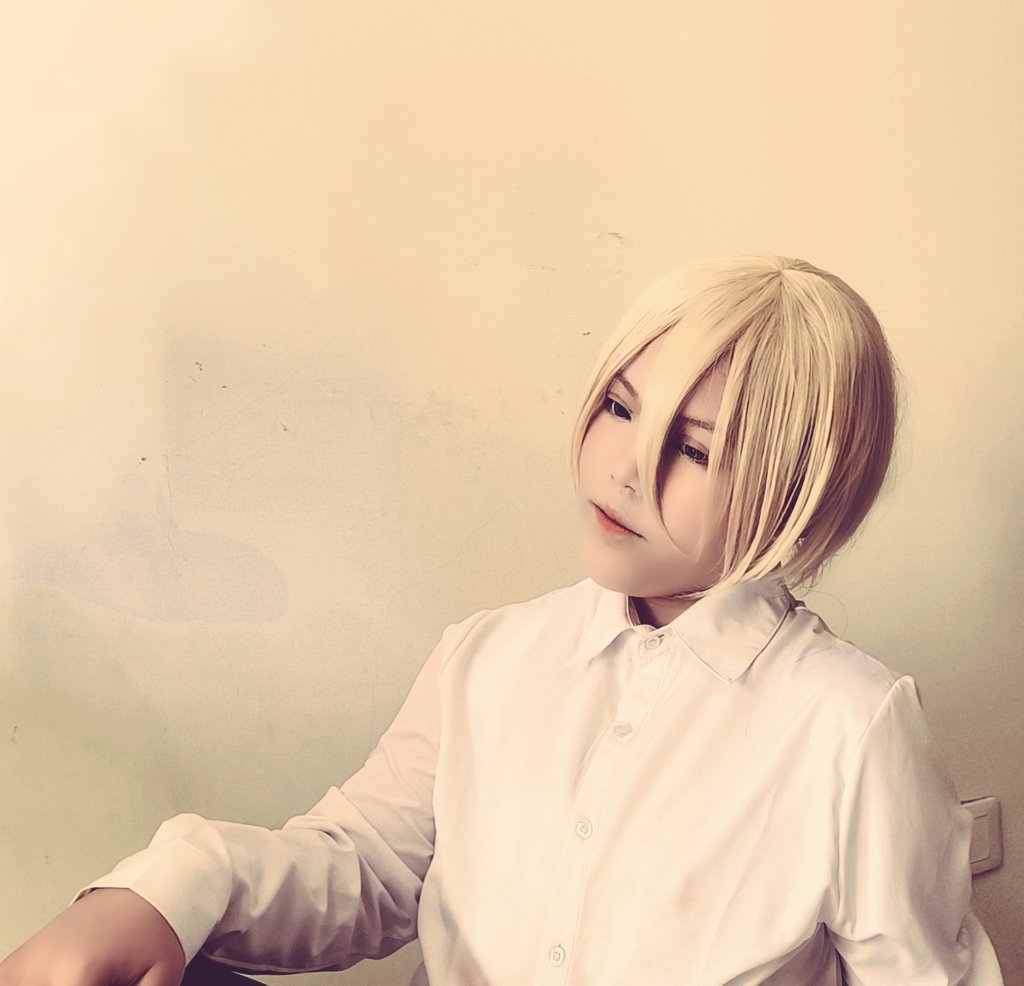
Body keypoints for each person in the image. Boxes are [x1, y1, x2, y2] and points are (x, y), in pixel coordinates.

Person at [0, 255, 1002, 985]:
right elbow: (369, 866)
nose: (623, 466)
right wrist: (172, 882)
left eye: (692, 449)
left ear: (801, 496)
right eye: (619, 407)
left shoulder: (851, 727)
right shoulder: (487, 657)